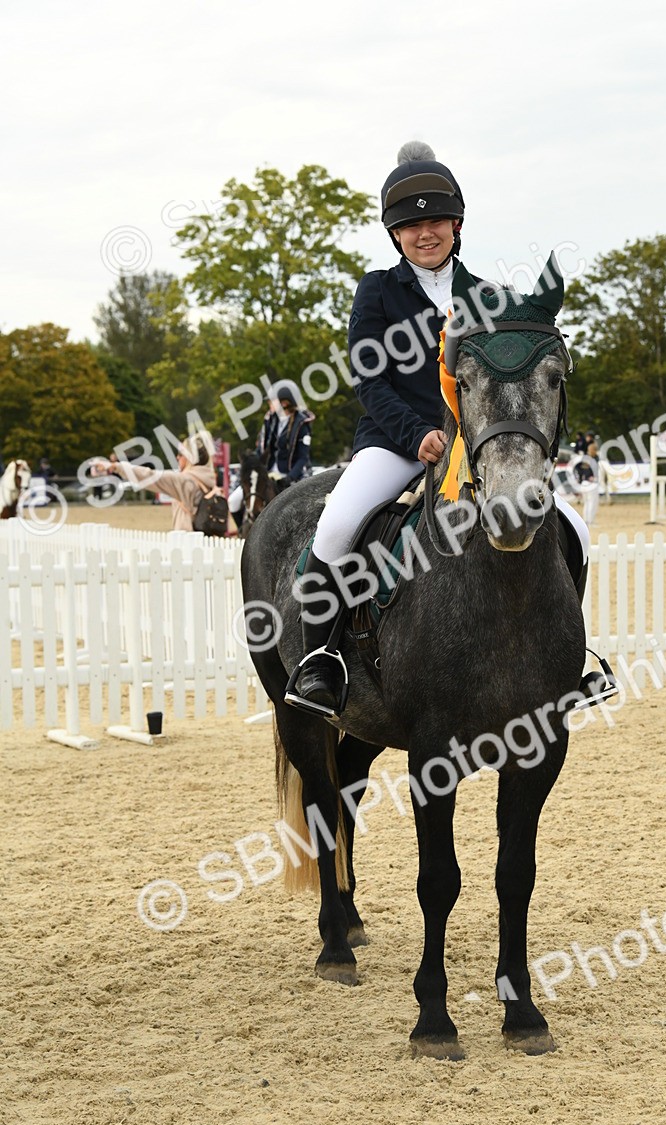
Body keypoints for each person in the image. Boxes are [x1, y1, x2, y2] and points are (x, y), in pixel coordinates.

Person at [286, 141, 615, 719]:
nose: (425, 233)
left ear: (456, 224)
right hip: (396, 445)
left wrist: (479, 437)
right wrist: (416, 434)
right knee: (336, 527)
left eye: (435, 220)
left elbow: (506, 383)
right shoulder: (377, 292)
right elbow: (371, 380)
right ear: (395, 235)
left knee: (575, 531)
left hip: (473, 449)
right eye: (411, 225)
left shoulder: (489, 297)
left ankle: (565, 663)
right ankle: (323, 662)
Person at [228, 384, 314, 528]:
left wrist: (290, 477)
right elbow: (261, 450)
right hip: (266, 473)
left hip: (291, 474)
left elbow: (302, 458)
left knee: (303, 509)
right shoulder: (269, 420)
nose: (269, 403)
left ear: (285, 403)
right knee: (233, 501)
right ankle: (242, 531)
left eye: (272, 401)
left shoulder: (302, 424)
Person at [95, 431, 216, 532]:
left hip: (187, 539)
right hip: (207, 539)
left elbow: (149, 476)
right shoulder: (210, 478)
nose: (177, 457)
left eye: (180, 454)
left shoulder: (184, 481)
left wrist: (116, 467)